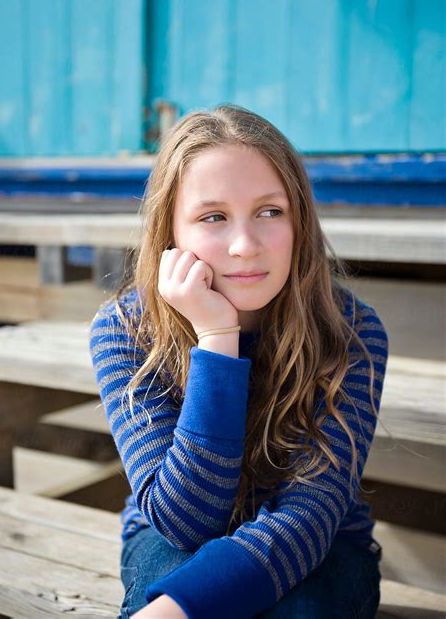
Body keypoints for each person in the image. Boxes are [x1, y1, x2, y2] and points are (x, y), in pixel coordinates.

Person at [89, 104, 388, 619]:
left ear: (299, 220)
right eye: (213, 217)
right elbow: (186, 523)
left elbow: (310, 517)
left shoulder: (352, 333)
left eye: (270, 211)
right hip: (168, 535)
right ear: (171, 231)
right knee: (166, 581)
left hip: (321, 541)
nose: (245, 246)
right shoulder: (124, 330)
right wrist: (217, 337)